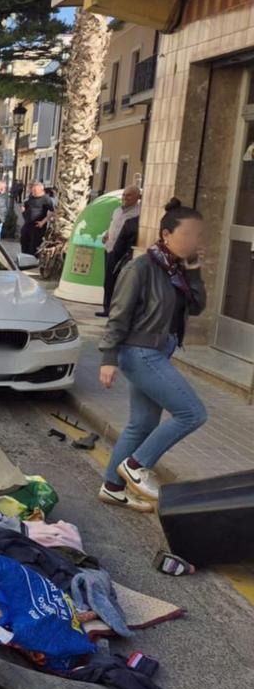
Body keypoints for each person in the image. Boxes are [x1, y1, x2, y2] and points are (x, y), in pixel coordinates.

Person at [98, 199, 207, 513]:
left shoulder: (179, 270)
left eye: (197, 236)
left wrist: (195, 273)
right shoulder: (141, 267)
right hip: (141, 353)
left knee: (141, 424)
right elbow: (119, 314)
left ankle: (112, 487)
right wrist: (107, 358)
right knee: (193, 413)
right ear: (166, 234)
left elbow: (197, 308)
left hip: (160, 351)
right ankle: (136, 465)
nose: (193, 242)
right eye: (186, 235)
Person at [99, 184, 142, 317]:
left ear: (137, 197)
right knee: (108, 280)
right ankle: (107, 308)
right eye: (124, 194)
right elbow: (113, 225)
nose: (125, 197)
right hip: (109, 248)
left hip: (122, 251)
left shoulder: (139, 212)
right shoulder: (117, 210)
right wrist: (107, 234)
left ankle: (116, 310)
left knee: (119, 281)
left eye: (129, 195)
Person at [20, 182, 55, 256]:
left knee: (34, 244)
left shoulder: (46, 199)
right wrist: (23, 210)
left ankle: (33, 259)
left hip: (38, 225)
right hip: (27, 223)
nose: (33, 192)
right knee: (23, 239)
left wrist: (43, 222)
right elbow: (26, 204)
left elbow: (52, 211)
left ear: (41, 190)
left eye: (35, 191)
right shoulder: (31, 197)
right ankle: (24, 256)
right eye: (32, 190)